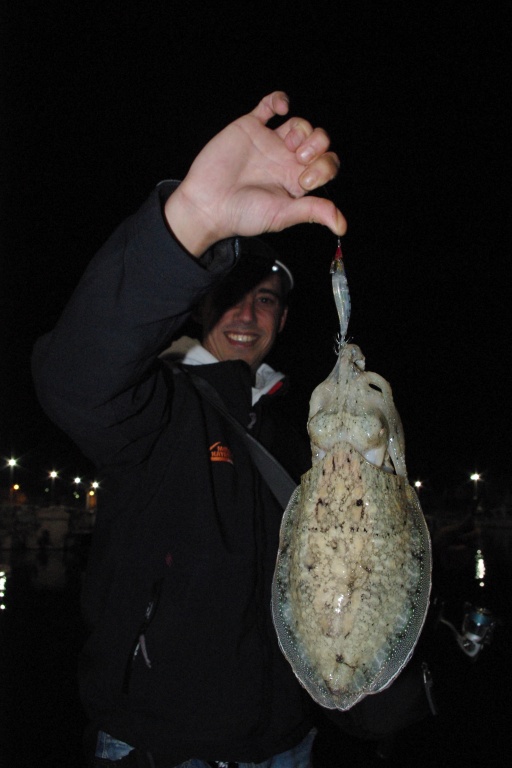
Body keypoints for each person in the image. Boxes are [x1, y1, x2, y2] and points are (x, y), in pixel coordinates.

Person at [32, 92, 346, 768]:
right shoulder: (160, 405)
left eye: (267, 299)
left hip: (290, 746)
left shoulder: (299, 436)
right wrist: (193, 223)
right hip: (163, 747)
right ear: (199, 305)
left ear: (284, 321)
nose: (247, 312)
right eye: (232, 295)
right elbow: (75, 379)